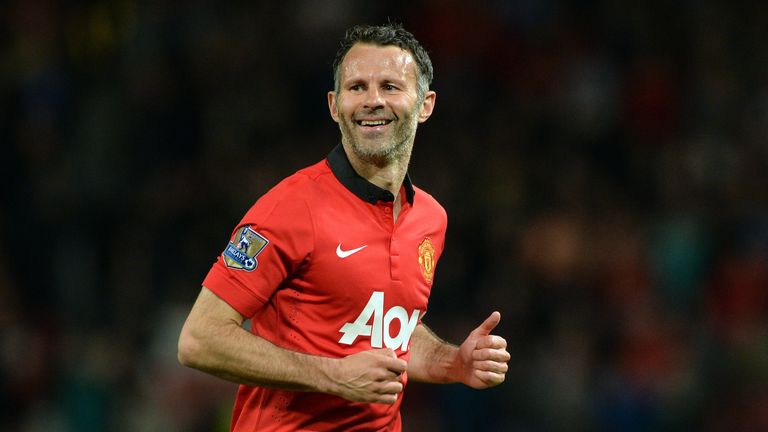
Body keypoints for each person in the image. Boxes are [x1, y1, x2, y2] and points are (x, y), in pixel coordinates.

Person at [178, 23, 510, 431]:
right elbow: (199, 339)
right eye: (357, 88)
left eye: (390, 86)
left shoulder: (430, 219)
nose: (372, 100)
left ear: (426, 104)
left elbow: (388, 330)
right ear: (335, 105)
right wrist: (331, 375)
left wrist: (452, 363)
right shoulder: (291, 207)